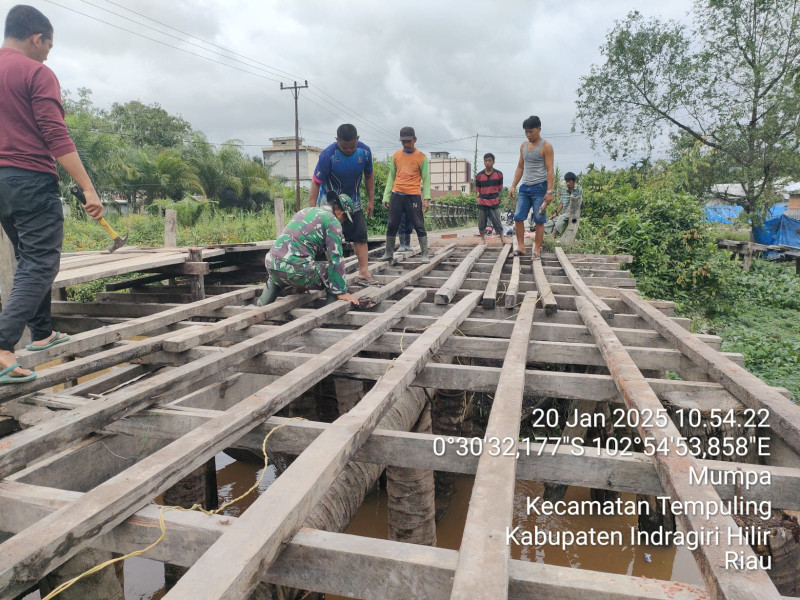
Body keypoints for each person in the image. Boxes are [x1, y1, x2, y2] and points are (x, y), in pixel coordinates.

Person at [0, 5, 103, 385]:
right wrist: (88, 187)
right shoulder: (35, 72)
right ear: (37, 37)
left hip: (2, 183)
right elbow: (55, 135)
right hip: (30, 178)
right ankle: (2, 345)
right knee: (41, 263)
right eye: (48, 45)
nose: (48, 53)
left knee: (28, 258)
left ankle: (42, 332)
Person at [258, 191, 360, 307]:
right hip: (297, 270)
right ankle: (329, 316)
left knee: (278, 272)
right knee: (333, 276)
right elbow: (335, 259)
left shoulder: (305, 211)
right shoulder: (333, 222)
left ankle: (260, 306)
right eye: (345, 219)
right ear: (342, 214)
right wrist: (341, 291)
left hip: (271, 264)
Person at [309, 124, 377, 285]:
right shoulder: (328, 155)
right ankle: (335, 275)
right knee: (331, 239)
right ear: (337, 140)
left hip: (354, 203)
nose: (348, 150)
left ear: (357, 140)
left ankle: (364, 271)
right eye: (344, 146)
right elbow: (316, 183)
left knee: (360, 236)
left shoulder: (364, 152)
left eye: (352, 146)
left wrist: (371, 200)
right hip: (331, 205)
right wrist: (311, 210)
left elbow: (369, 176)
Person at [381, 126, 431, 263]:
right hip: (397, 194)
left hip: (413, 195)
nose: (406, 144)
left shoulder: (421, 157)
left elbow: (426, 179)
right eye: (403, 142)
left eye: (408, 141)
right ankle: (388, 252)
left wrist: (426, 198)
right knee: (392, 224)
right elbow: (391, 177)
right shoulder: (396, 155)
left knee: (418, 224)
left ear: (415, 140)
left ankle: (425, 254)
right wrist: (386, 196)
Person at [509, 115, 554, 260]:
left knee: (539, 219)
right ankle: (521, 248)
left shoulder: (546, 146)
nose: (528, 135)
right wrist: (513, 185)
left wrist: (549, 192)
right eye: (526, 132)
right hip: (525, 188)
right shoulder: (523, 146)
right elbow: (520, 167)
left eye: (531, 132)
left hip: (540, 188)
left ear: (539, 129)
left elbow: (550, 169)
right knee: (518, 217)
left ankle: (536, 249)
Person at [475, 152, 507, 245]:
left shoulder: (499, 174)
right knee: (481, 222)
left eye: (489, 161)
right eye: (486, 161)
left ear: (493, 162)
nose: (487, 162)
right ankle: (482, 238)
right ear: (484, 162)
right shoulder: (479, 175)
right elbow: (478, 190)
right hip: (482, 202)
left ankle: (502, 238)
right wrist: (478, 198)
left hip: (494, 202)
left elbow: (500, 188)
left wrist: (498, 198)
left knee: (497, 221)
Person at [545, 172, 582, 236]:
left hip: (573, 212)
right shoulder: (564, 190)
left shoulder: (579, 189)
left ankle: (553, 234)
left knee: (561, 217)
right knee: (551, 221)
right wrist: (555, 214)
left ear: (574, 181)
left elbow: (579, 203)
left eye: (569, 181)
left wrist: (570, 210)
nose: (567, 183)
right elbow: (561, 203)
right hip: (564, 213)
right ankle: (545, 233)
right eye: (566, 181)